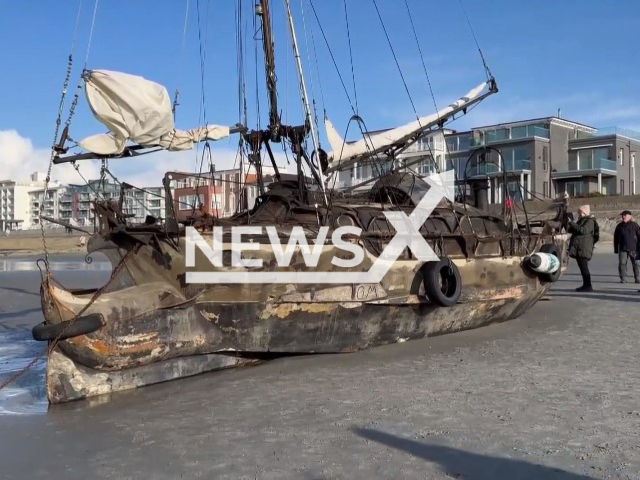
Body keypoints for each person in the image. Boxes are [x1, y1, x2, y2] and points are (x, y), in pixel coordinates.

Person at [568, 204, 597, 292]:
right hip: (579, 247)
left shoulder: (589, 221)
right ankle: (586, 285)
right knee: (582, 267)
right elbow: (574, 230)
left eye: (580, 212)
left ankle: (588, 286)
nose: (578, 214)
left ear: (584, 212)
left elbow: (583, 230)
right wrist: (569, 223)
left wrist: (572, 223)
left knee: (584, 268)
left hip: (584, 248)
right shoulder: (581, 220)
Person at [613, 210, 640, 283]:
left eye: (625, 215)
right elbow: (616, 238)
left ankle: (637, 278)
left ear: (630, 216)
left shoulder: (635, 225)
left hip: (633, 248)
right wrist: (616, 248)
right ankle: (623, 278)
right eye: (622, 215)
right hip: (622, 248)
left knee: (636, 264)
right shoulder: (619, 226)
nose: (623, 217)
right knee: (622, 263)